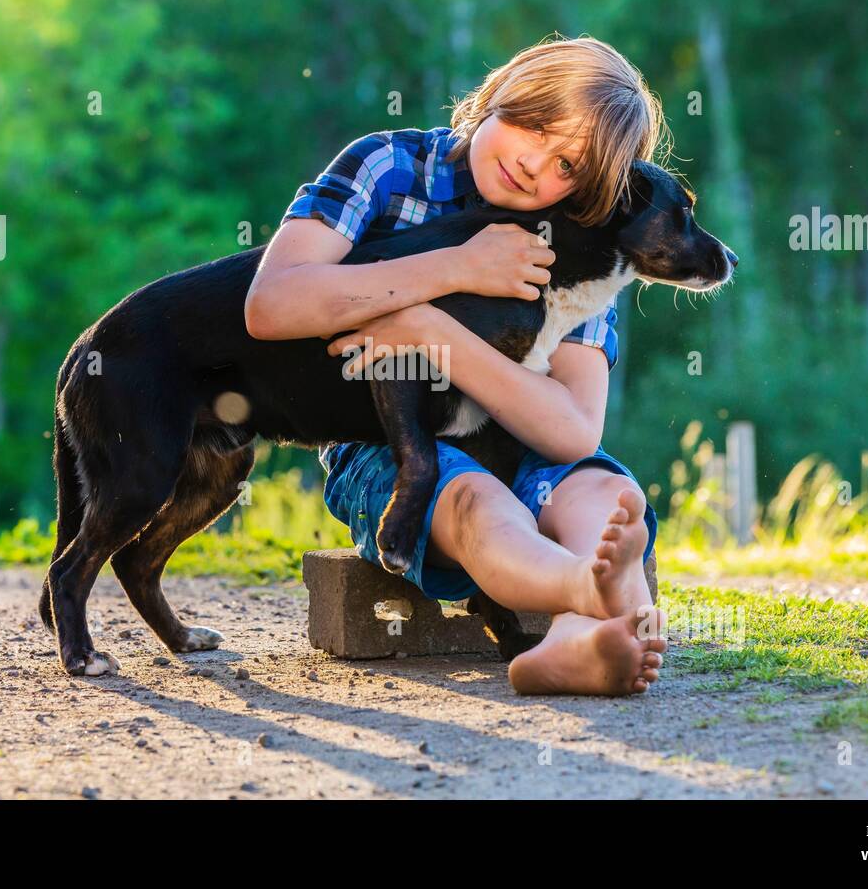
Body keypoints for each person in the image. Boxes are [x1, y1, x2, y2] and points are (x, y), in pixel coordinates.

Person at [244, 35, 667, 695]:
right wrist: (456, 268)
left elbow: (573, 431)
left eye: (567, 167)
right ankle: (586, 594)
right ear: (503, 90)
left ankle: (575, 644)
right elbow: (271, 305)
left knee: (609, 496)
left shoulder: (574, 243)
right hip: (389, 445)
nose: (533, 165)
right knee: (475, 500)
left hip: (522, 438)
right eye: (534, 125)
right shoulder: (390, 167)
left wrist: (426, 327)